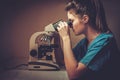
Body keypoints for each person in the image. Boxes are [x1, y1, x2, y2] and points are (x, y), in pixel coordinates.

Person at [56, 0, 120, 80]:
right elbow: (63, 61)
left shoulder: (105, 41)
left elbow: (74, 75)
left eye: (71, 21)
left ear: (85, 19)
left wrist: (66, 38)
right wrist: (57, 38)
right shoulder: (84, 43)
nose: (70, 25)